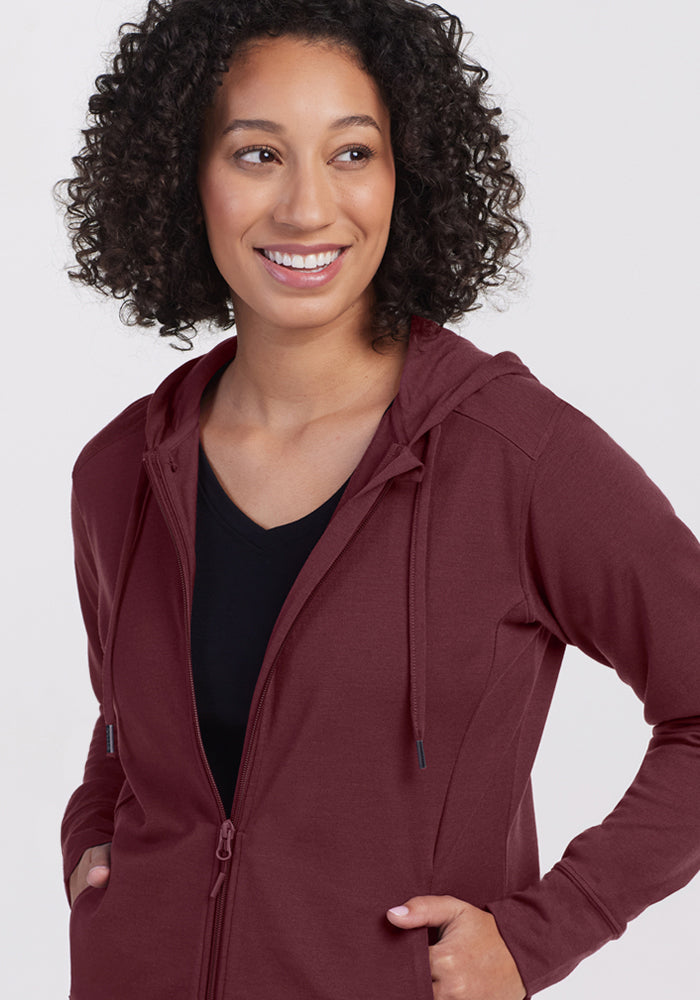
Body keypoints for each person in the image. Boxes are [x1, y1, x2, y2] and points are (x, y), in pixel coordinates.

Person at [57, 1, 700, 998]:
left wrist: (540, 935)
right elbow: (125, 730)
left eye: (352, 154)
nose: (308, 208)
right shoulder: (119, 472)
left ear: (410, 176)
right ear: (186, 176)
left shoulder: (514, 455)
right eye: (257, 154)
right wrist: (89, 836)